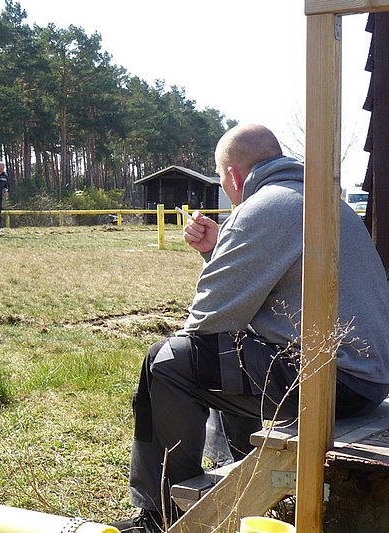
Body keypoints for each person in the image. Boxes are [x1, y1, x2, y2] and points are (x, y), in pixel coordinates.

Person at [114, 124, 389, 532]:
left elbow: (208, 320)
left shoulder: (263, 208)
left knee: (169, 361)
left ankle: (159, 515)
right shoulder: (322, 200)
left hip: (334, 384)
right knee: (233, 352)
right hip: (367, 380)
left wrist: (231, 238)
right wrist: (216, 249)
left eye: (222, 179)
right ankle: (239, 469)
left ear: (233, 175)